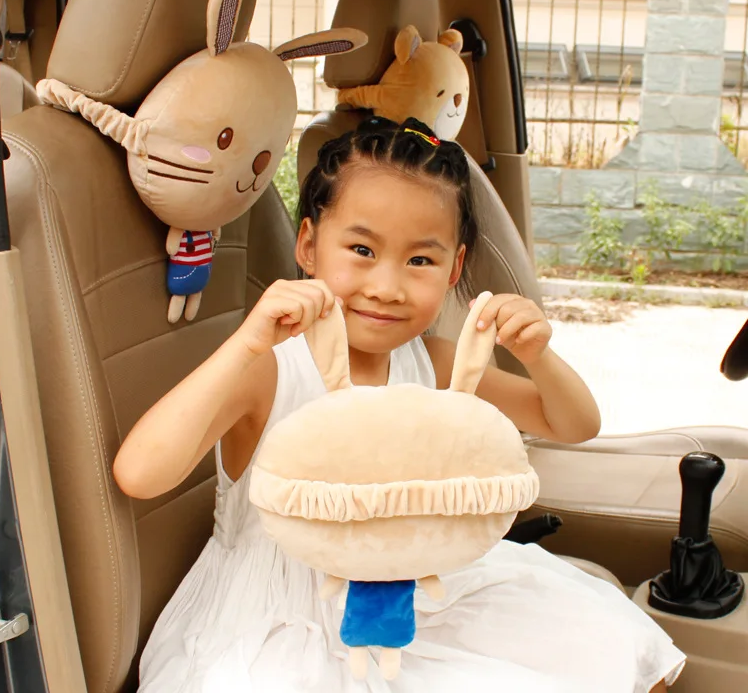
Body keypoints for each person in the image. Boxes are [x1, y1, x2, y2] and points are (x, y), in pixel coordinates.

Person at [115, 117, 685, 693]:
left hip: (412, 587)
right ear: (309, 246)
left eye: (420, 261)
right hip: (279, 612)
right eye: (362, 250)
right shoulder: (271, 369)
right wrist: (245, 344)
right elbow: (140, 474)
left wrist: (538, 355)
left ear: (454, 268)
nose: (386, 287)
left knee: (603, 640)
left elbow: (575, 424)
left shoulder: (431, 361)